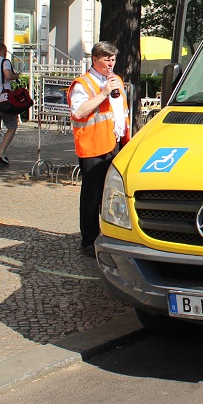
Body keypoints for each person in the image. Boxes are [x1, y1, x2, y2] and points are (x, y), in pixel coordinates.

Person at [69, 41, 131, 257]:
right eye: (107, 59)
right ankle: (88, 240)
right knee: (92, 195)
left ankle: (110, 233)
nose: (111, 64)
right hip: (93, 146)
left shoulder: (116, 81)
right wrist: (104, 92)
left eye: (113, 59)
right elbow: (78, 113)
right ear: (95, 59)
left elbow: (121, 112)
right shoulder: (82, 84)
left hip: (116, 144)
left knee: (113, 192)